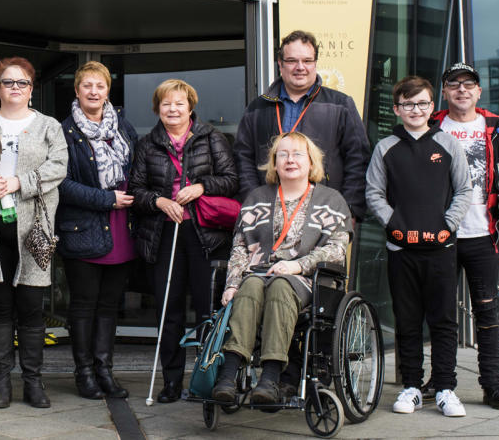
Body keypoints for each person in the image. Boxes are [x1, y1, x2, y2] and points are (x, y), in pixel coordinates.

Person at [211, 131, 351, 404]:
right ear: (274, 163)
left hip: (307, 279)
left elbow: (336, 249)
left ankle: (271, 377)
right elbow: (240, 247)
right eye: (282, 154)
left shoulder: (331, 200)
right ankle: (228, 375)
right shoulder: (257, 197)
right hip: (258, 273)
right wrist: (231, 284)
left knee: (280, 287)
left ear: (311, 162)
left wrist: (297, 265)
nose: (290, 160)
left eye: (298, 154)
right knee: (249, 286)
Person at [365, 75, 470, 418]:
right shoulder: (385, 147)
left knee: (443, 321)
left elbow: (464, 191)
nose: (416, 109)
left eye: (423, 103)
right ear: (397, 109)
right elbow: (374, 194)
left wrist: (447, 226)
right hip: (402, 251)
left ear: (431, 107)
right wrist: (396, 226)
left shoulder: (447, 143)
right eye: (408, 104)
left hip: (441, 249)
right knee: (407, 321)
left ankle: (445, 388)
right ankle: (411, 386)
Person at [128, 79, 238, 403]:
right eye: (166, 104)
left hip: (206, 235)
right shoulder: (148, 144)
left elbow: (232, 181)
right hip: (165, 234)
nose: (172, 109)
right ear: (157, 109)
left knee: (207, 310)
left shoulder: (211, 137)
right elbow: (136, 190)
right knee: (169, 311)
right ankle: (172, 382)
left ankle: (207, 378)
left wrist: (202, 186)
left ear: (190, 107)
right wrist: (159, 201)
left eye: (179, 103)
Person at [429, 63, 499, 410]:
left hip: (483, 235)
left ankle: (492, 385)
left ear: (479, 91)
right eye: (454, 84)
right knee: (441, 313)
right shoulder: (431, 127)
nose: (462, 89)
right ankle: (442, 382)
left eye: (469, 84)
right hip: (440, 236)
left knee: (487, 314)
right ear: (444, 91)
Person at [0, 57, 68, 409]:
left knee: (32, 307)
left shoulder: (49, 126)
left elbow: (58, 166)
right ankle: (1, 382)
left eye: (21, 83)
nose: (14, 88)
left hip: (34, 226)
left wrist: (18, 183)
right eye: (7, 82)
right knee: (0, 307)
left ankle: (33, 381)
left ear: (31, 89)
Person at [56, 61, 138, 400]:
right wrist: (105, 199)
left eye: (100, 86)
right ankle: (84, 374)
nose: (94, 91)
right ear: (77, 91)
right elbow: (60, 183)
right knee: (84, 305)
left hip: (121, 227)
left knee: (109, 305)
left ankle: (105, 370)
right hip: (85, 226)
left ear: (108, 91)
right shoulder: (64, 131)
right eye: (87, 85)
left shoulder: (124, 127)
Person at [232, 30, 370, 220]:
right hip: (268, 213)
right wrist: (254, 203)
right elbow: (243, 159)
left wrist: (349, 211)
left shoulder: (340, 105)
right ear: (280, 64)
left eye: (307, 61)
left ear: (315, 64)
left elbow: (358, 159)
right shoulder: (257, 108)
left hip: (324, 213)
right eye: (292, 61)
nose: (300, 67)